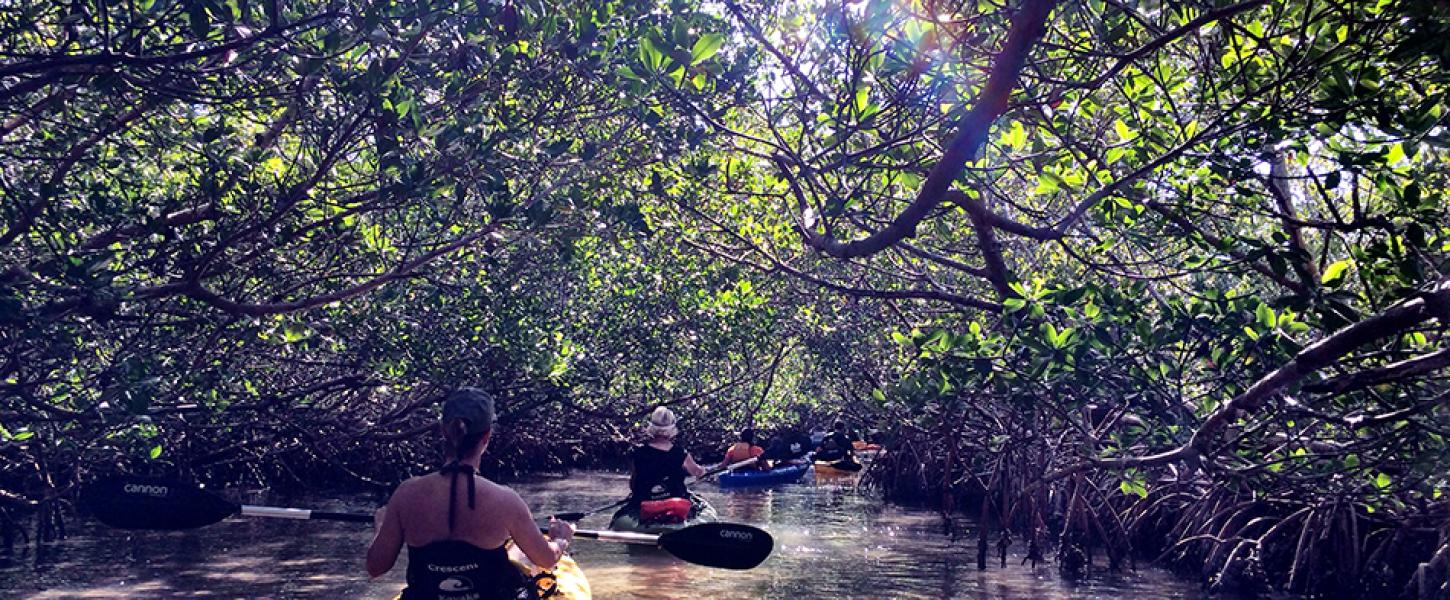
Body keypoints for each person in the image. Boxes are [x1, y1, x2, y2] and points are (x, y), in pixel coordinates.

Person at [367, 388, 574, 599]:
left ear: (443, 431)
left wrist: (381, 527)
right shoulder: (506, 500)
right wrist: (560, 539)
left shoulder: (406, 494)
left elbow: (376, 567)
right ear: (487, 436)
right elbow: (546, 560)